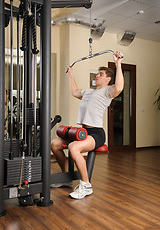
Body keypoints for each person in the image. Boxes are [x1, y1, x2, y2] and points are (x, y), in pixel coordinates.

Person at [51, 51, 124, 199]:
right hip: (83, 131)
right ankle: (67, 177)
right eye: (97, 73)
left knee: (73, 147)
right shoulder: (89, 92)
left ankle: (86, 185)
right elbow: (75, 92)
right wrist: (70, 73)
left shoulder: (107, 92)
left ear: (108, 79)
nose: (97, 76)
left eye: (101, 74)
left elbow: (119, 88)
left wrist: (118, 63)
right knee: (54, 144)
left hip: (96, 133)